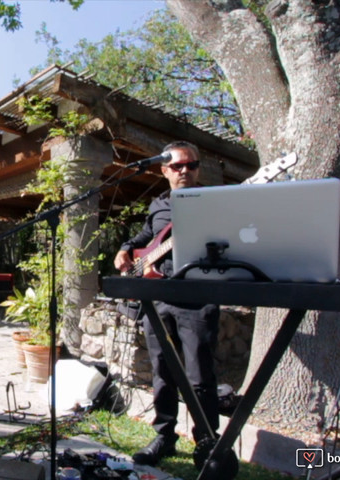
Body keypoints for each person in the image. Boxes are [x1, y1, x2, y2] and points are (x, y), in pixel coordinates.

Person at [113, 141, 220, 466]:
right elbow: (147, 237)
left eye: (191, 165)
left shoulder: (214, 203)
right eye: (177, 166)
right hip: (156, 298)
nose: (185, 170)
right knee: (161, 371)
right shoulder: (158, 205)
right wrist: (126, 248)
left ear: (198, 168)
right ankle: (165, 436)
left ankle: (207, 442)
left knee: (199, 374)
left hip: (198, 298)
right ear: (164, 170)